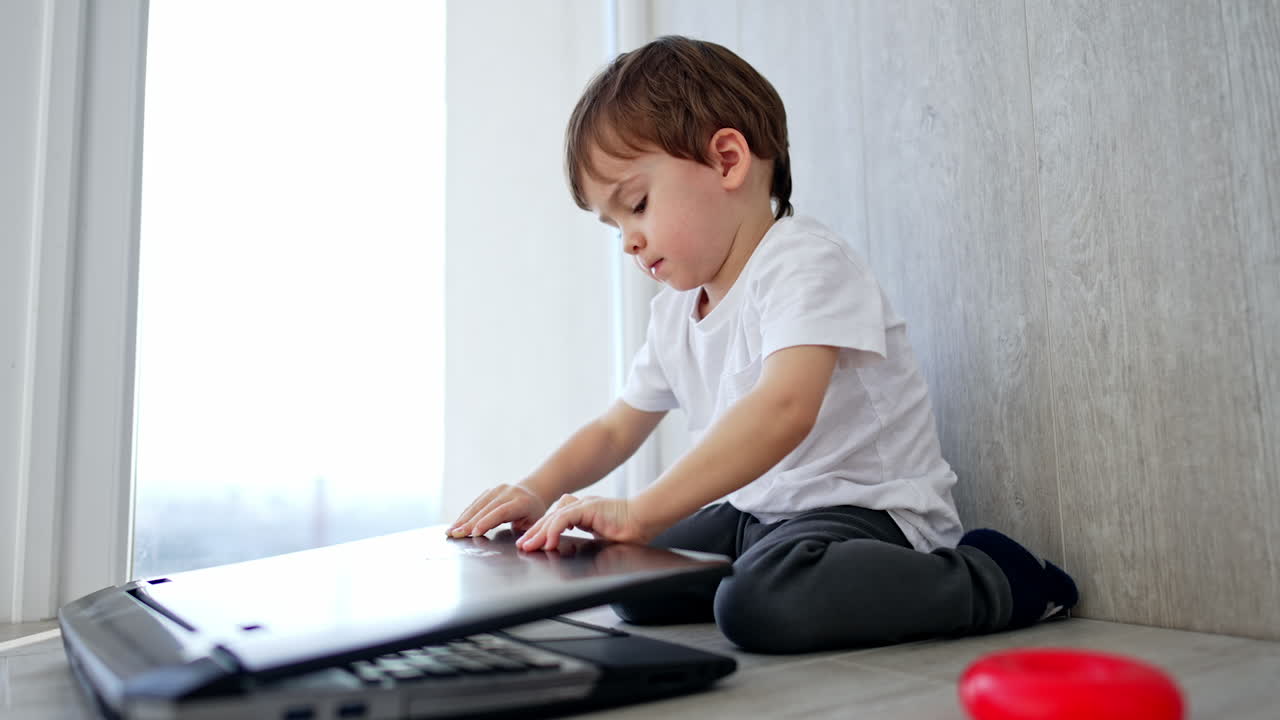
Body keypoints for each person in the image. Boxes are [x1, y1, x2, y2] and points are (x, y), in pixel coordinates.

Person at [448, 35, 1077, 654]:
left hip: (861, 512)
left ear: (727, 160)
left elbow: (784, 408)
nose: (629, 243)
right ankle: (744, 571)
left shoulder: (805, 262)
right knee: (631, 578)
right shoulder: (673, 315)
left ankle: (994, 578)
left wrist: (640, 509)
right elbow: (616, 430)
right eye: (614, 226)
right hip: (758, 514)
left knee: (760, 602)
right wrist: (534, 491)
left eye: (636, 204)